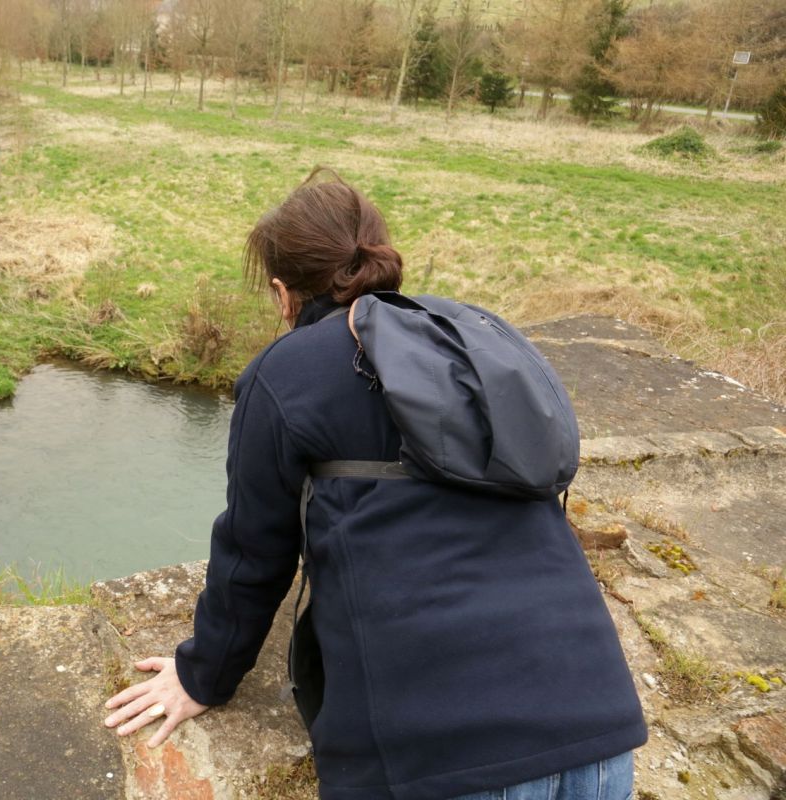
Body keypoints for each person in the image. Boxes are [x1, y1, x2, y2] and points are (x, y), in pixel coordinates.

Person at [103, 169, 647, 800]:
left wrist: (202, 678)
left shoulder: (285, 374)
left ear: (283, 294)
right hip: (599, 736)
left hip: (438, 759)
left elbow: (254, 552)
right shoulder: (480, 336)